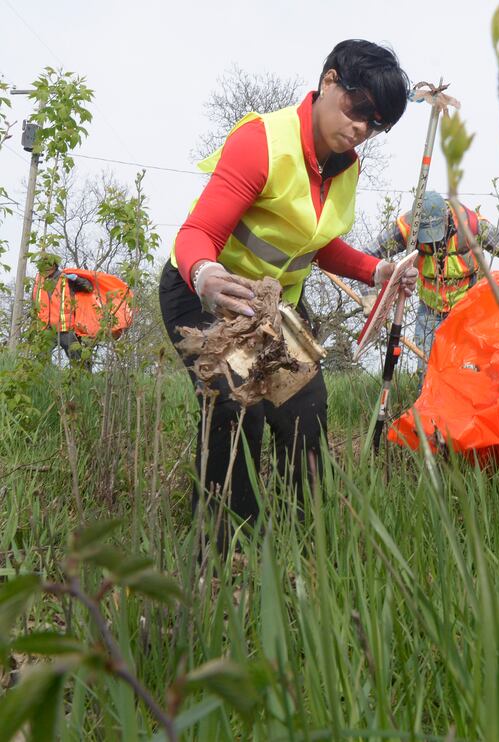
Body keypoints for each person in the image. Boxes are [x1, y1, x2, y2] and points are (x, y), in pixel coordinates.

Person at [159, 40, 416, 542]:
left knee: (305, 411)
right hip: (205, 292)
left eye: (377, 122)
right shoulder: (263, 142)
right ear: (329, 82)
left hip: (270, 310)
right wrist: (207, 275)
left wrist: (378, 271)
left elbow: (316, 244)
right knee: (237, 409)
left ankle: (310, 541)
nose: (362, 126)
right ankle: (226, 548)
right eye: (358, 107)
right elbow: (196, 233)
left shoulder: (346, 165)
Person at [365, 191, 499, 381]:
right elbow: (368, 255)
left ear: (447, 219)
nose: (434, 243)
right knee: (427, 374)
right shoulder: (406, 229)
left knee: (472, 372)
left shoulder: (473, 226)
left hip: (470, 310)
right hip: (430, 312)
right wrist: (370, 295)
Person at [32, 259, 94, 366]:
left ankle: (83, 381)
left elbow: (89, 287)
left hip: (65, 328)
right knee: (40, 361)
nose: (46, 269)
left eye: (49, 266)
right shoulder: (38, 282)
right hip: (46, 329)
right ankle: (45, 381)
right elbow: (34, 304)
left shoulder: (66, 278)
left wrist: (76, 279)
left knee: (78, 360)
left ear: (55, 266)